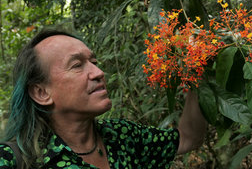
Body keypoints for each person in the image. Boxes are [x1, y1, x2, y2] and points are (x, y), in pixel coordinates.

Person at [0, 28, 207, 168]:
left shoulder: (123, 136)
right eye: (77, 65)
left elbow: (188, 138)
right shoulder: (13, 160)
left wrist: (197, 74)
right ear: (41, 93)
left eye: (94, 61)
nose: (98, 72)